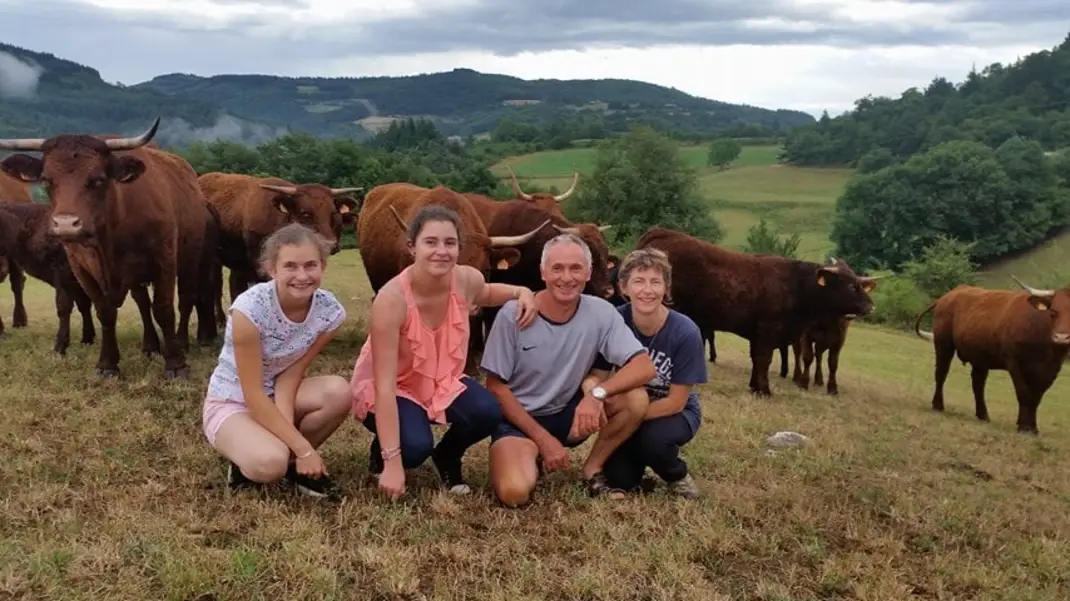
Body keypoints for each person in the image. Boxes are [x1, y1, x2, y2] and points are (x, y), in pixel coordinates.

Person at [350, 205, 539, 500]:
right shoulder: (391, 300)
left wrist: (522, 292)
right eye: (431, 242)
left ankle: (447, 456)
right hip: (395, 388)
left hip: (440, 381)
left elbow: (487, 293)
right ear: (412, 247)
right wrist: (393, 463)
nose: (441, 251)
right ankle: (382, 450)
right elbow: (385, 386)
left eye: (450, 243)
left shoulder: (465, 280)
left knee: (487, 411)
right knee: (413, 450)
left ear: (459, 248)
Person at [480, 232, 656, 506]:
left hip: (567, 414)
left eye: (576, 268)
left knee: (635, 398)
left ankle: (592, 469)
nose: (567, 277)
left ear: (588, 273)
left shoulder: (601, 312)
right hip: (518, 419)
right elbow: (495, 386)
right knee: (514, 493)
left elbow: (644, 366)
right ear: (542, 272)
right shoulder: (513, 314)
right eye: (557, 268)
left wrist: (596, 394)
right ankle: (530, 454)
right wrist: (543, 439)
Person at [201, 222, 351, 499]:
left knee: (339, 392)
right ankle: (246, 463)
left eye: (310, 265)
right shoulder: (249, 310)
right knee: (270, 464)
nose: (302, 276)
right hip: (235, 400)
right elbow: (253, 394)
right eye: (290, 266)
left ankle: (296, 468)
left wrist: (290, 437)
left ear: (323, 267)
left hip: (277, 392)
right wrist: (304, 447)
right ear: (271, 269)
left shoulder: (331, 313)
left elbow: (290, 375)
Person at [595, 248, 706, 499]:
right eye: (639, 281)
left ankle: (677, 475)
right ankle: (637, 465)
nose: (647, 290)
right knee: (619, 479)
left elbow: (676, 401)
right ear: (624, 287)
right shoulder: (614, 322)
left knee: (654, 441)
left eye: (656, 282)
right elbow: (599, 374)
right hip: (630, 406)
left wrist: (626, 420)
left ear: (666, 288)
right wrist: (596, 399)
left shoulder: (685, 332)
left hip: (674, 411)